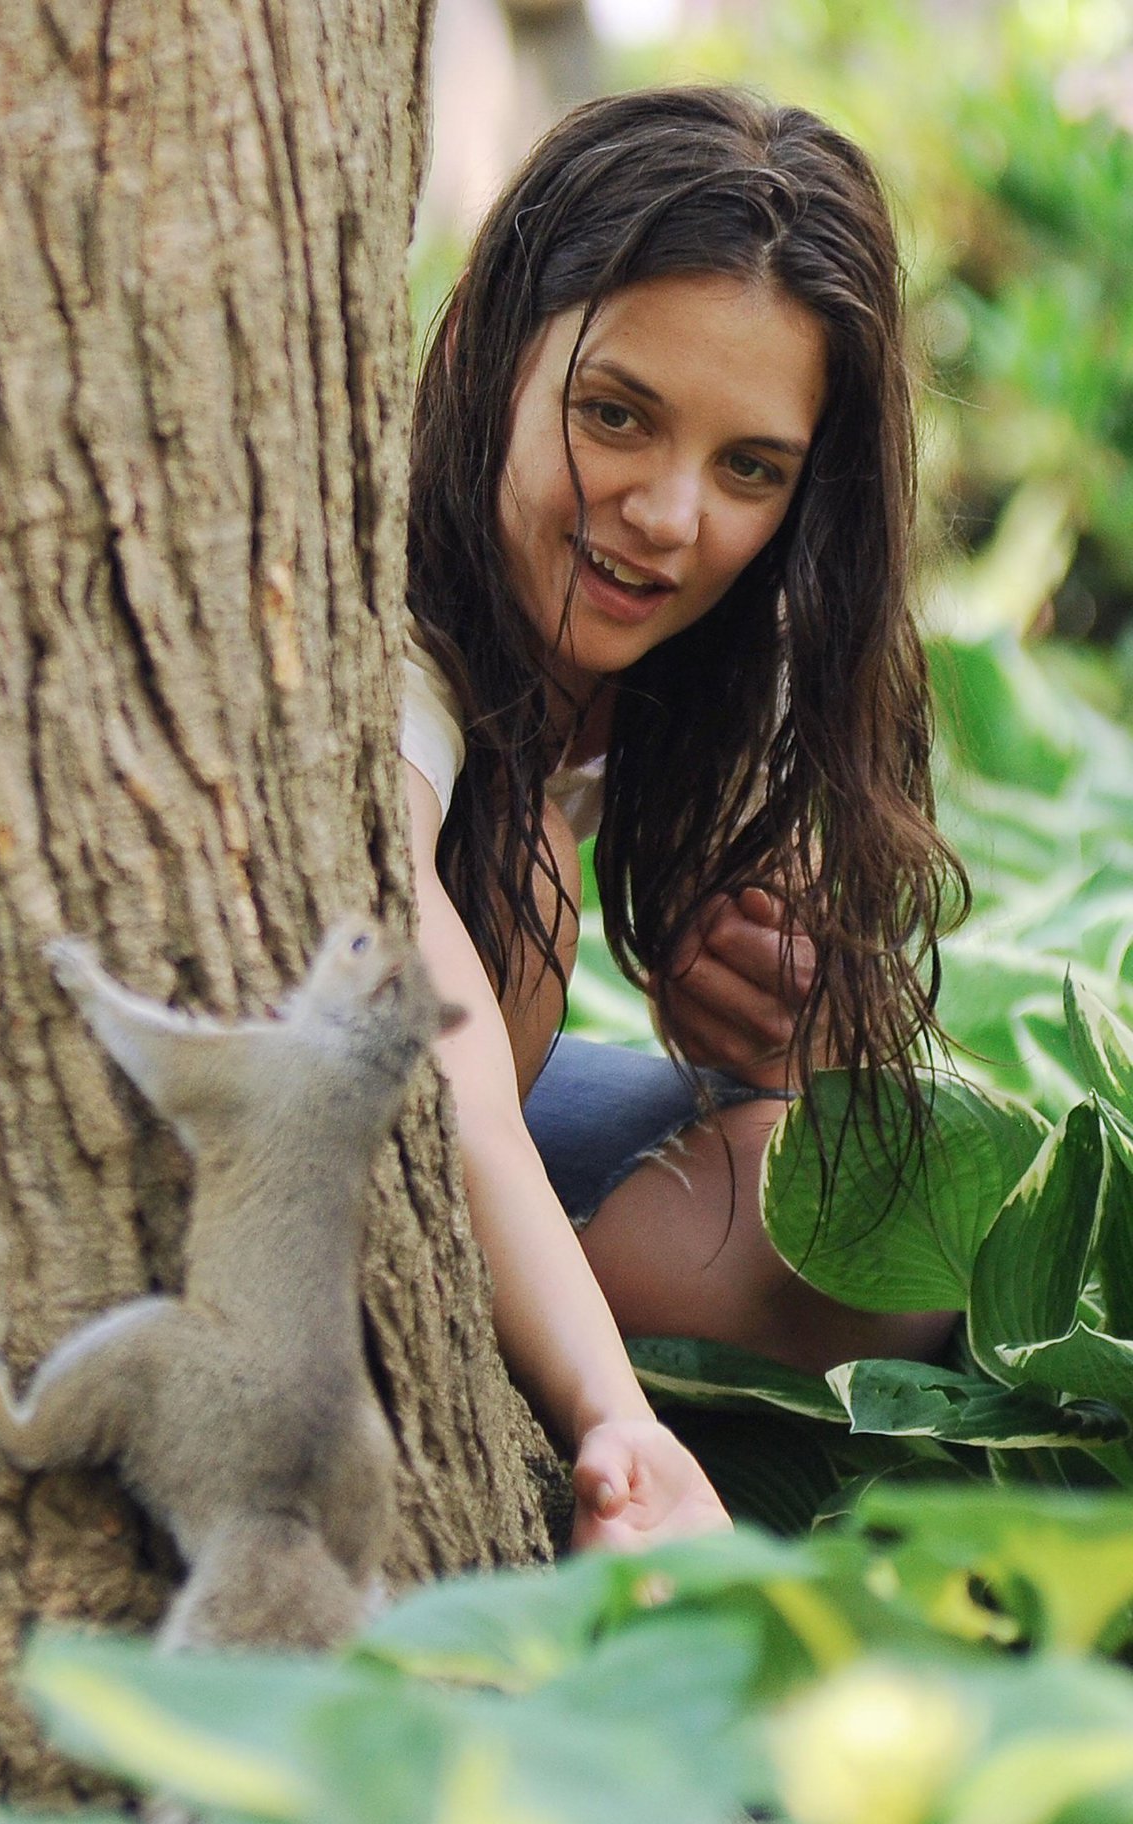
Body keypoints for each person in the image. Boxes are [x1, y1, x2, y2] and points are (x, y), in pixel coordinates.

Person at [402, 85, 968, 1552]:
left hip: (511, 1138)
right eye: (614, 414)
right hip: (372, 1130)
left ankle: (508, 1299)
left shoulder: (701, 651)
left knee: (878, 1245)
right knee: (516, 869)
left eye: (749, 468)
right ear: (483, 352)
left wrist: (806, 1044)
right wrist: (612, 1414)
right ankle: (510, 1329)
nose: (667, 515)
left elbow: (880, 1199)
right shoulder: (398, 637)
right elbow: (425, 1021)